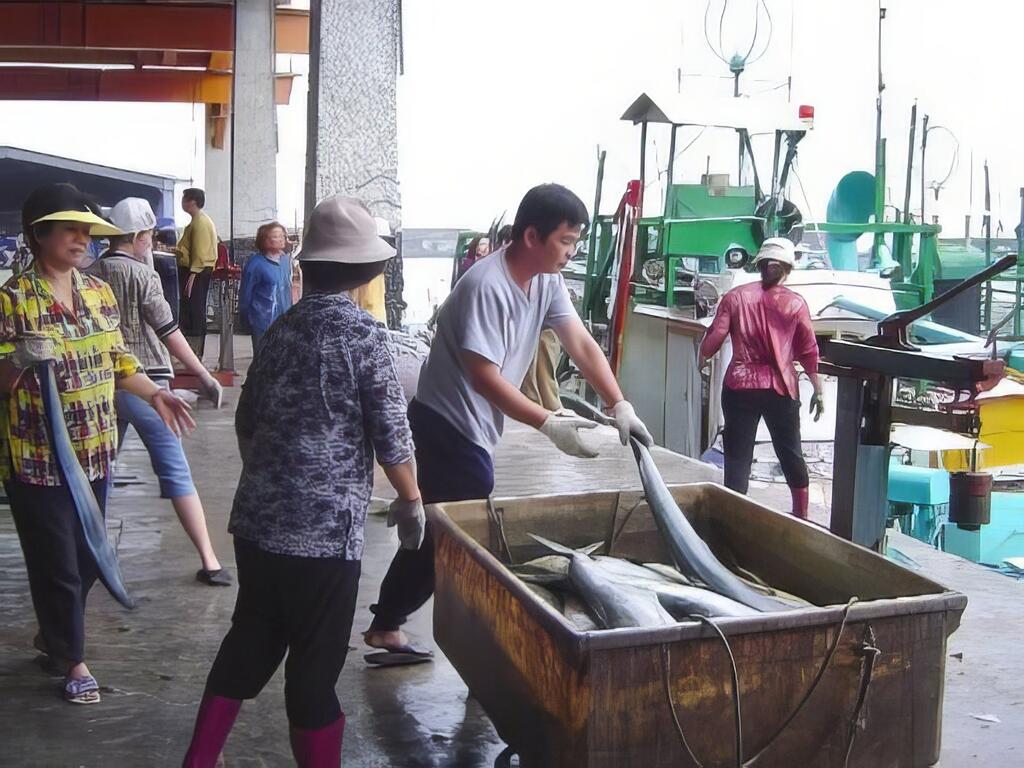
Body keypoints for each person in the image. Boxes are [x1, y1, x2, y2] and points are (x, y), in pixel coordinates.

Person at [362, 183, 653, 665]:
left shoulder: (545, 281)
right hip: (445, 426)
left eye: (576, 242)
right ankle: (467, 642)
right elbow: (484, 378)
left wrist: (620, 403)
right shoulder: (485, 285)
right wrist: (549, 424)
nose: (571, 252)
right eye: (566, 241)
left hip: (469, 430)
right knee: (460, 535)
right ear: (532, 236)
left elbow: (580, 343)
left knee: (443, 533)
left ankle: (388, 624)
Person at [182, 196, 424, 767]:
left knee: (251, 638)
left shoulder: (279, 333)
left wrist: (273, 478)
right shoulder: (365, 336)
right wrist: (411, 499)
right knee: (314, 672)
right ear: (365, 271)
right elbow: (392, 432)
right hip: (323, 538)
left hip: (260, 524)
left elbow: (247, 423)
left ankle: (197, 760)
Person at [2, 183, 195, 704]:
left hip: (94, 448)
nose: (82, 238)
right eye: (70, 228)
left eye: (87, 229)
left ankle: (55, 636)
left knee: (88, 558)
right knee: (57, 562)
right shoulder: (10, 298)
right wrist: (17, 361)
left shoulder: (98, 293)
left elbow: (118, 362)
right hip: (36, 456)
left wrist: (156, 392)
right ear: (39, 233)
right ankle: (75, 660)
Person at [87, 197, 231, 586]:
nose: (151, 242)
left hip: (104, 382)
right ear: (138, 236)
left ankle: (91, 554)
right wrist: (203, 374)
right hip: (148, 382)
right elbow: (168, 331)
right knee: (175, 469)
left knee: (100, 468)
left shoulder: (91, 272)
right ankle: (210, 559)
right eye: (149, 235)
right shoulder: (144, 276)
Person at [698, 237, 824, 519]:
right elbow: (808, 351)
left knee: (738, 454)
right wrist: (818, 389)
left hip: (739, 387)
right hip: (781, 389)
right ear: (788, 267)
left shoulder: (735, 297)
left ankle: (733, 515)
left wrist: (701, 357)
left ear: (760, 265)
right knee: (790, 451)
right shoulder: (796, 304)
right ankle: (801, 515)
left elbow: (715, 337)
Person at [175, 188, 218, 359]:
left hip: (197, 271)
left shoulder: (200, 222)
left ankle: (194, 353)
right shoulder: (197, 221)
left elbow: (200, 252)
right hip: (195, 269)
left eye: (184, 199)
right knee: (191, 310)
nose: (182, 202)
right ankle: (192, 352)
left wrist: (193, 274)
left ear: (191, 201)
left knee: (194, 311)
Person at [238, 221, 293, 349]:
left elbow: (288, 290)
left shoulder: (286, 262)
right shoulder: (255, 264)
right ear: (264, 240)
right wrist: (246, 319)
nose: (281, 239)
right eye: (276, 236)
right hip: (262, 321)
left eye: (282, 236)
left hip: (284, 321)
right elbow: (246, 294)